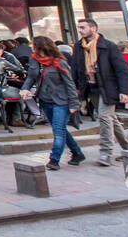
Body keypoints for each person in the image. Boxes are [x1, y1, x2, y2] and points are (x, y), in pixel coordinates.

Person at [74, 18, 128, 166]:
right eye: (79, 27)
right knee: (111, 118)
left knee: (104, 117)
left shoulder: (108, 46)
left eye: (83, 27)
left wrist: (124, 91)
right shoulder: (79, 46)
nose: (80, 30)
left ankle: (106, 153)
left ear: (93, 28)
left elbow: (122, 70)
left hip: (108, 88)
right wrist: (76, 87)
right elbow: (75, 67)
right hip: (91, 87)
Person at [19, 36, 84, 171]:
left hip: (62, 101)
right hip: (45, 100)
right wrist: (25, 88)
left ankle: (54, 159)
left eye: (34, 45)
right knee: (60, 128)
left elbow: (70, 84)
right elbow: (31, 76)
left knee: (58, 130)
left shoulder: (60, 62)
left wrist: (74, 103)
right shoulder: (34, 60)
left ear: (41, 47)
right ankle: (77, 153)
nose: (31, 47)